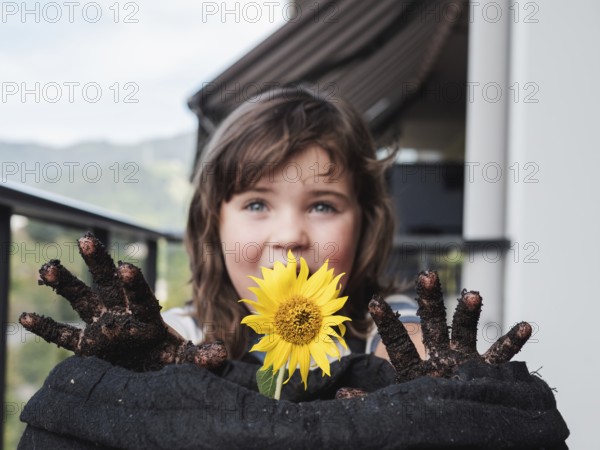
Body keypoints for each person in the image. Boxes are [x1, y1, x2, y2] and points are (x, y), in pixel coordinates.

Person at [161, 85, 426, 363]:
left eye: (322, 206)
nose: (289, 237)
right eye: (257, 205)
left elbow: (415, 349)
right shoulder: (189, 332)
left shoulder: (384, 321)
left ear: (366, 227)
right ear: (214, 225)